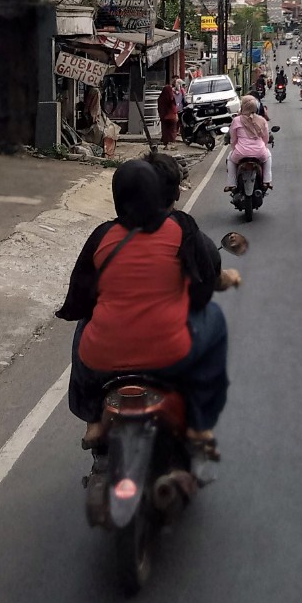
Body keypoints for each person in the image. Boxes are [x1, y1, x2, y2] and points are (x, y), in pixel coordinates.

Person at [56, 159, 239, 456]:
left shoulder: (102, 235)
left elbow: (77, 300)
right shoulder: (182, 229)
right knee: (212, 323)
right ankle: (200, 419)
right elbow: (203, 289)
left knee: (84, 325)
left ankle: (92, 420)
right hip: (169, 354)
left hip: (102, 358)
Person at [226, 94, 273, 192]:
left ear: (242, 106)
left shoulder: (236, 120)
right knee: (268, 156)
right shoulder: (262, 120)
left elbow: (233, 139)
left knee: (230, 159)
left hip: (240, 152)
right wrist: (262, 146)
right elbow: (266, 138)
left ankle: (232, 184)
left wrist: (235, 148)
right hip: (260, 152)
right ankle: (267, 181)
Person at [158, 80, 179, 148]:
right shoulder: (171, 98)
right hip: (172, 117)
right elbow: (174, 107)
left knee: (165, 131)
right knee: (172, 130)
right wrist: (176, 115)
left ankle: (166, 145)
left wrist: (161, 115)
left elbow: (159, 108)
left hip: (164, 117)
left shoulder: (161, 98)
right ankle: (172, 144)